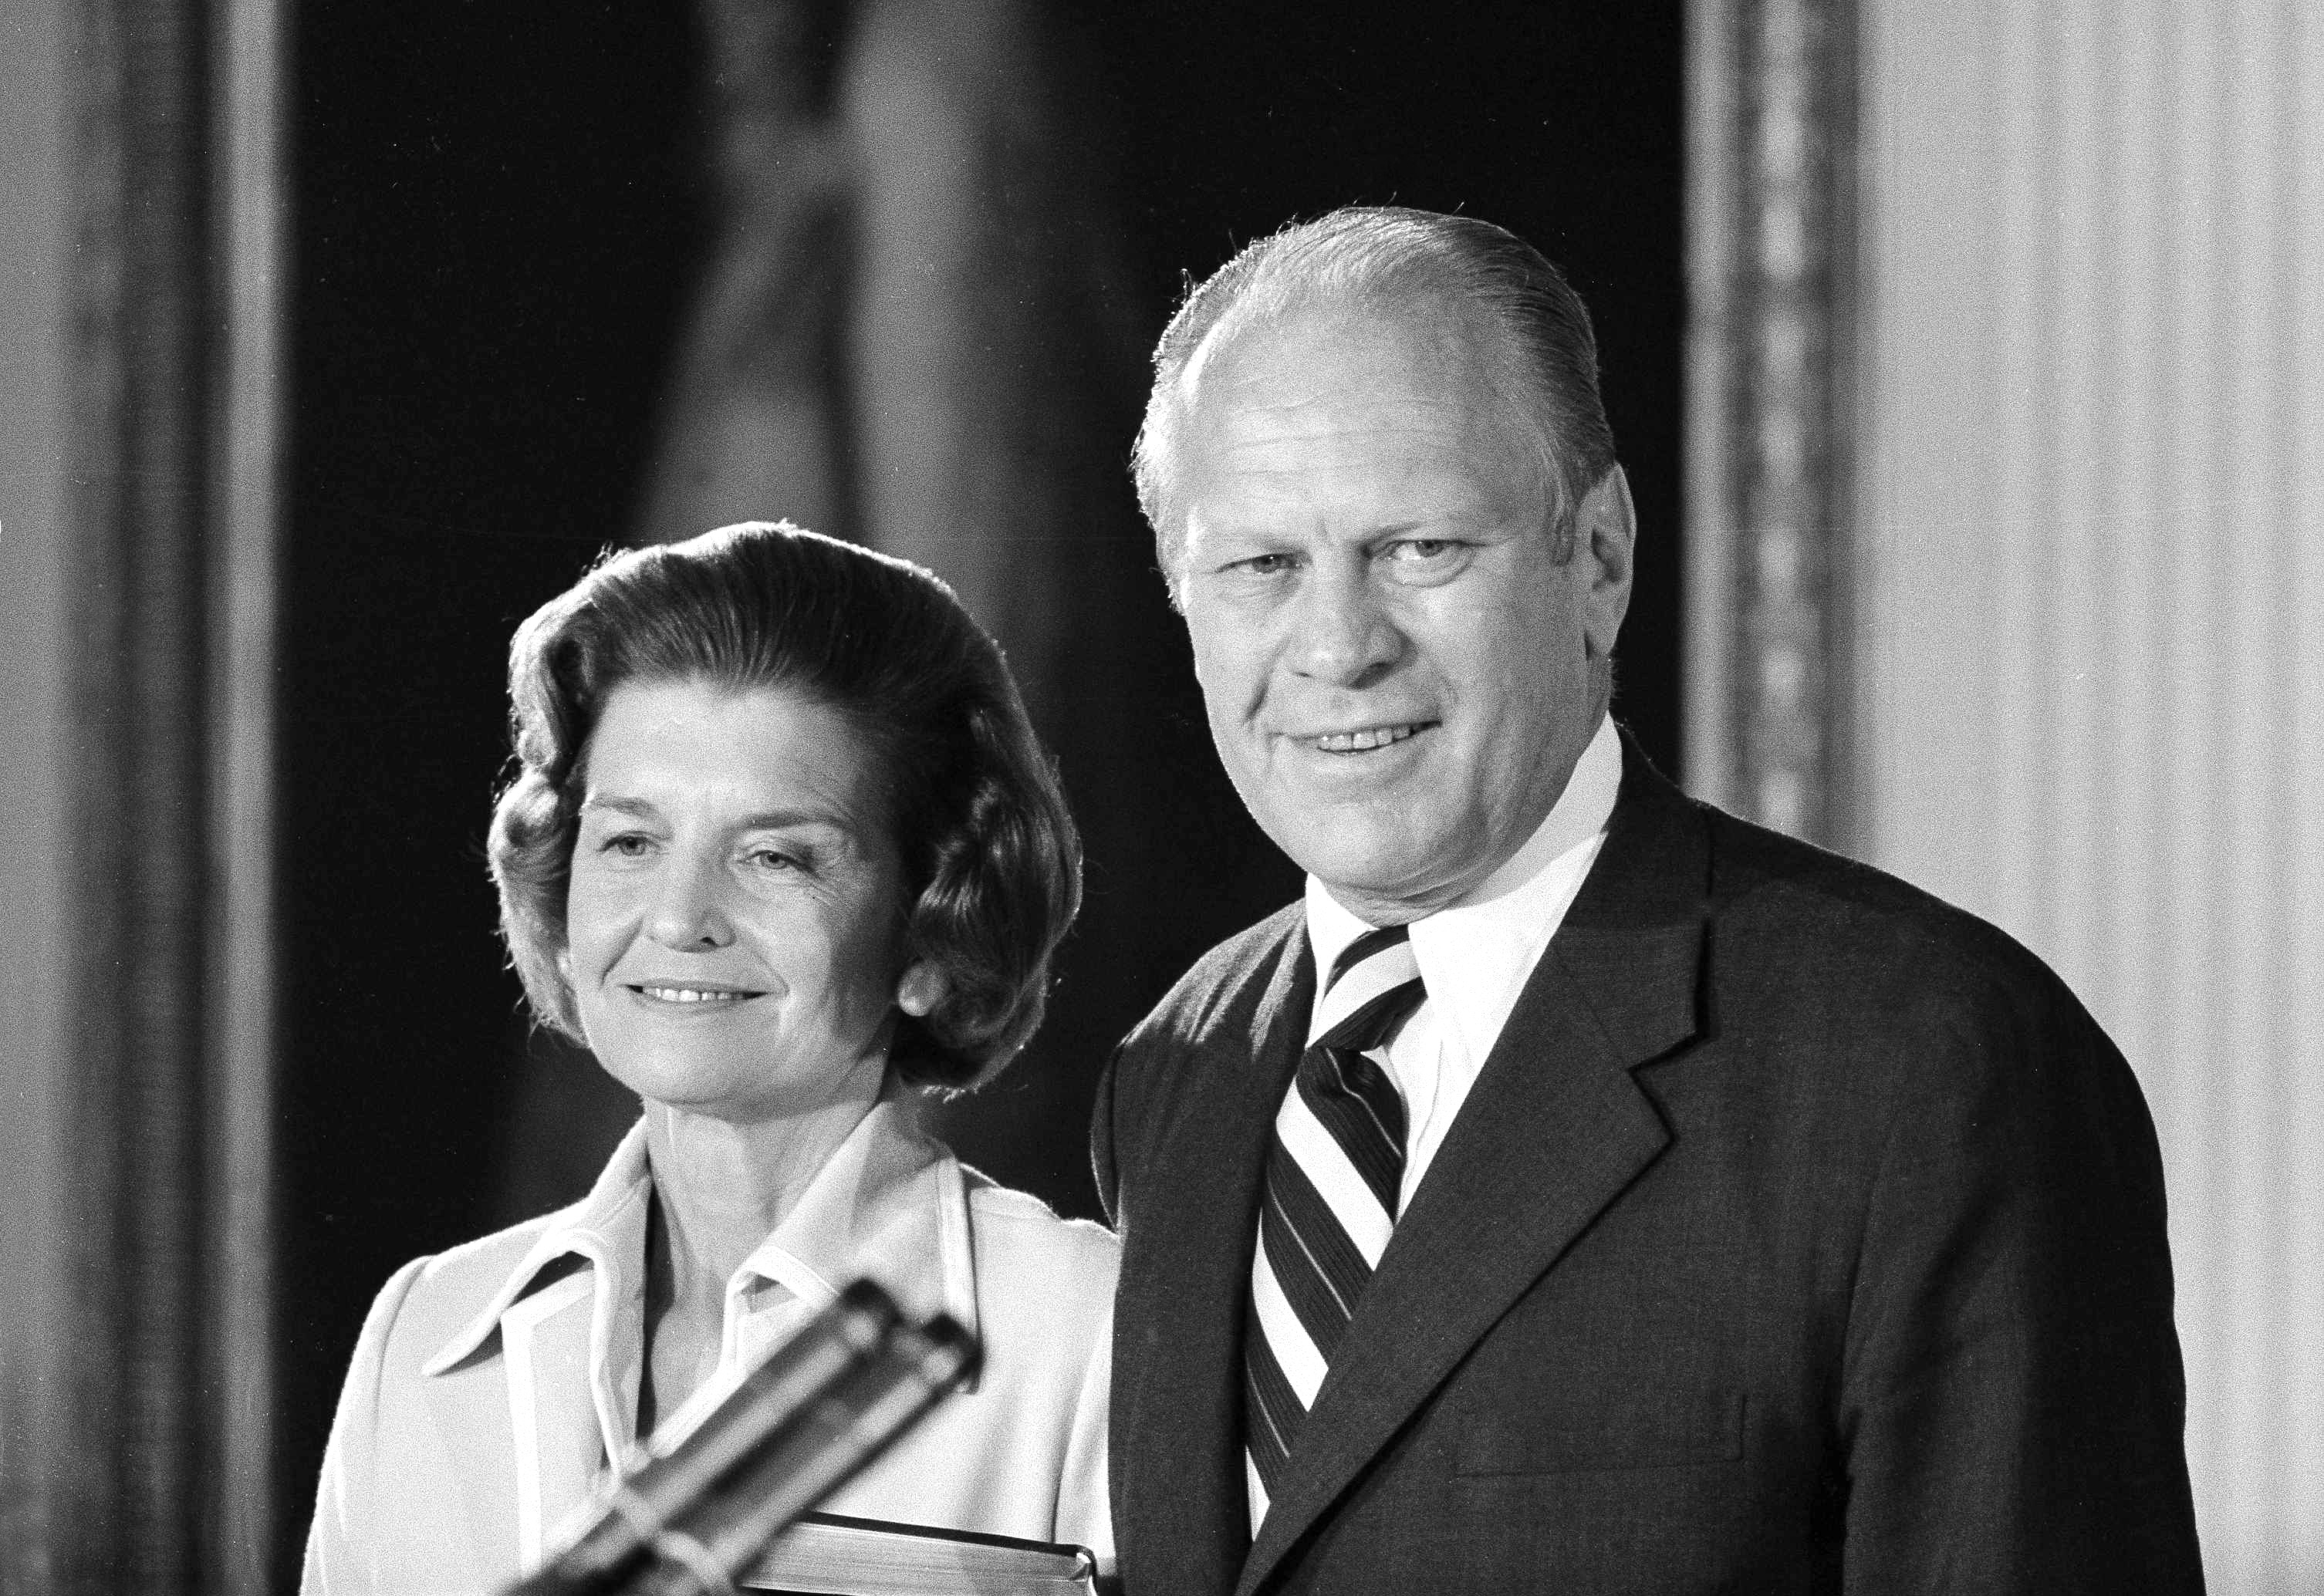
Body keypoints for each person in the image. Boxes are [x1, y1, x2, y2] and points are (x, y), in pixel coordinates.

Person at [1092, 208, 2203, 1594]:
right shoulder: (1179, 1070)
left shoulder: (1930, 1066)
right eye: (1261, 566)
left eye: (1421, 548)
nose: (1337, 645)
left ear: (1600, 557)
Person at [304, 522, 1116, 1592]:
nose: (680, 916)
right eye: (631, 840)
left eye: (775, 855)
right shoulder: (427, 1332)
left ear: (929, 930)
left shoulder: (1085, 1327)